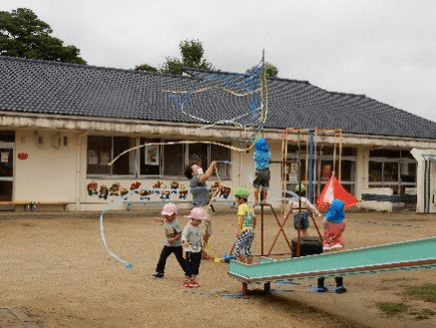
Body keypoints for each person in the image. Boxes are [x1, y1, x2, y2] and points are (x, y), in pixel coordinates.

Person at [184, 160, 217, 259]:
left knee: (208, 231)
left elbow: (209, 196)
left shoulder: (202, 184)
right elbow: (206, 176)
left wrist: (216, 191)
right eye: (196, 168)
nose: (198, 168)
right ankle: (195, 251)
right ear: (192, 173)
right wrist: (212, 165)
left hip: (207, 207)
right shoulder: (195, 179)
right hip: (200, 208)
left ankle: (201, 249)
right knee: (199, 230)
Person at [317, 199, 347, 293]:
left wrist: (327, 213)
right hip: (337, 246)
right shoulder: (342, 223)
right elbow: (341, 230)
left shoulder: (326, 221)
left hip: (326, 246)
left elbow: (324, 222)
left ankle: (320, 286)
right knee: (337, 266)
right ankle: (339, 286)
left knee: (323, 266)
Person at [151, 203, 187, 279]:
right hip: (168, 245)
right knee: (162, 257)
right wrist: (160, 220)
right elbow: (165, 223)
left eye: (167, 215)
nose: (165, 217)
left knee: (180, 259)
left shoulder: (176, 223)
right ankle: (160, 272)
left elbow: (180, 233)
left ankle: (188, 271)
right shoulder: (167, 221)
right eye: (164, 215)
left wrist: (174, 239)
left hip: (176, 245)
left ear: (174, 215)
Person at [182, 207, 206, 287]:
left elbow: (199, 238)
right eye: (197, 220)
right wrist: (185, 241)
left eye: (200, 221)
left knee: (196, 263)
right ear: (192, 219)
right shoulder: (188, 227)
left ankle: (192, 279)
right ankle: (187, 279)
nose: (199, 222)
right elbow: (184, 235)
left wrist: (202, 247)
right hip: (190, 249)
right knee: (189, 264)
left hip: (197, 249)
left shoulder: (198, 228)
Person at [233, 187, 256, 264]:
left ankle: (244, 265)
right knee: (247, 250)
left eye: (236, 198)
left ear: (241, 199)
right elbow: (254, 218)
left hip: (245, 231)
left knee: (237, 249)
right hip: (251, 231)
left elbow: (241, 218)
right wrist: (253, 227)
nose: (235, 200)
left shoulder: (241, 207)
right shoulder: (250, 207)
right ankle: (249, 265)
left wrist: (238, 230)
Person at [252, 137, 271, 206]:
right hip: (267, 171)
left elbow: (254, 159)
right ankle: (264, 200)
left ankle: (256, 200)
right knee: (265, 186)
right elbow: (270, 160)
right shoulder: (268, 152)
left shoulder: (256, 152)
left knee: (256, 186)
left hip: (259, 171)